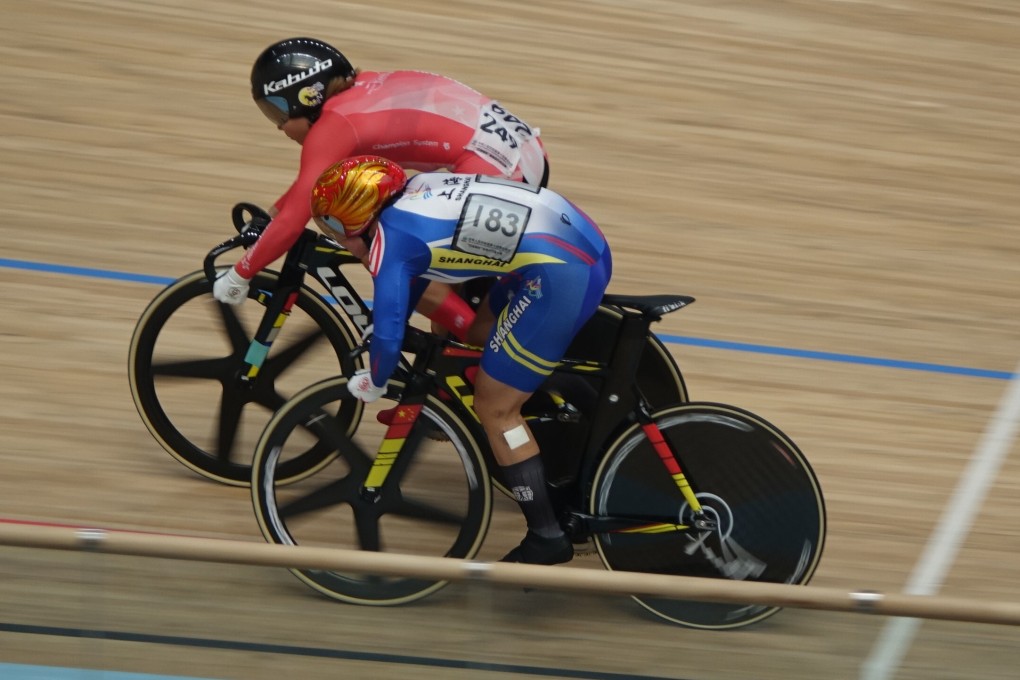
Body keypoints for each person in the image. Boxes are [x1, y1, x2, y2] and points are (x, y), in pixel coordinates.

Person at [309, 155, 612, 565]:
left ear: (360, 216)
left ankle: (546, 535)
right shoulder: (415, 188)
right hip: (577, 240)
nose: (339, 241)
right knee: (476, 333)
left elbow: (388, 330)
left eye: (336, 228)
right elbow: (408, 290)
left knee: (494, 407)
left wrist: (376, 380)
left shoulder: (392, 239)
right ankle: (569, 389)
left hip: (561, 272)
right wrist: (389, 330)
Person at [213, 36, 550, 341]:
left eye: (277, 112)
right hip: (518, 155)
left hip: (498, 170)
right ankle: (461, 351)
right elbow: (309, 185)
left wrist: (240, 274)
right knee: (442, 311)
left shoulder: (333, 126)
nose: (279, 127)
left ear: (305, 97)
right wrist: (268, 218)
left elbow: (294, 219)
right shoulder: (356, 94)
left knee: (396, 253)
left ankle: (482, 345)